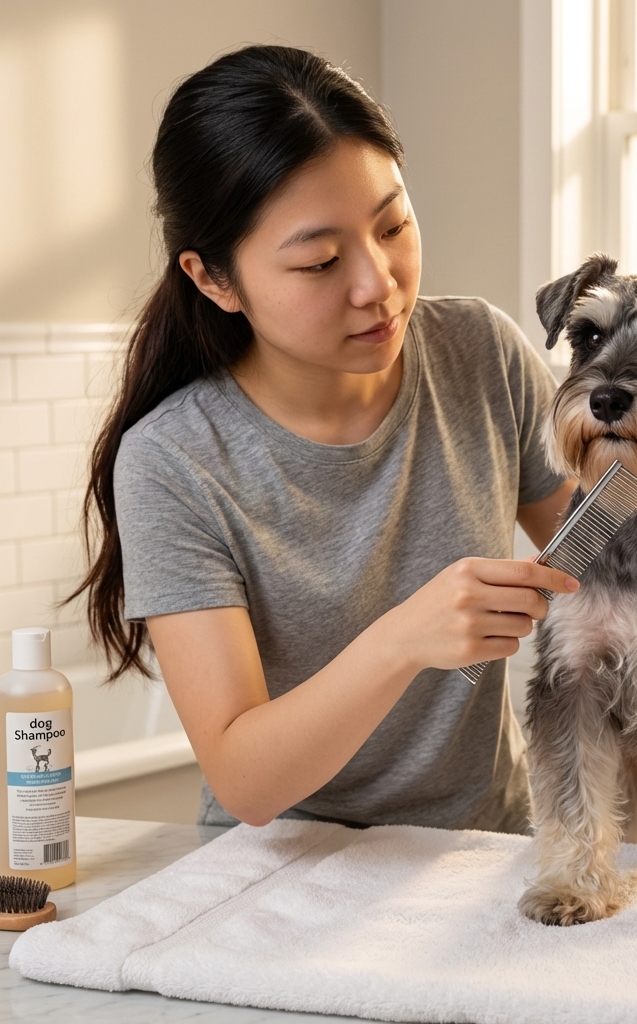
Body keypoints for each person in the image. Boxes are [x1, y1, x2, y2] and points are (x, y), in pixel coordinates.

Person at [74, 45, 577, 833]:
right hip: (284, 879)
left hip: (481, 861)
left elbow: (603, 560)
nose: (378, 283)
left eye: (394, 225)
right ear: (214, 280)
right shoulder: (175, 461)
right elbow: (245, 782)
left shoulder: (480, 352)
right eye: (319, 261)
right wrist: (405, 640)